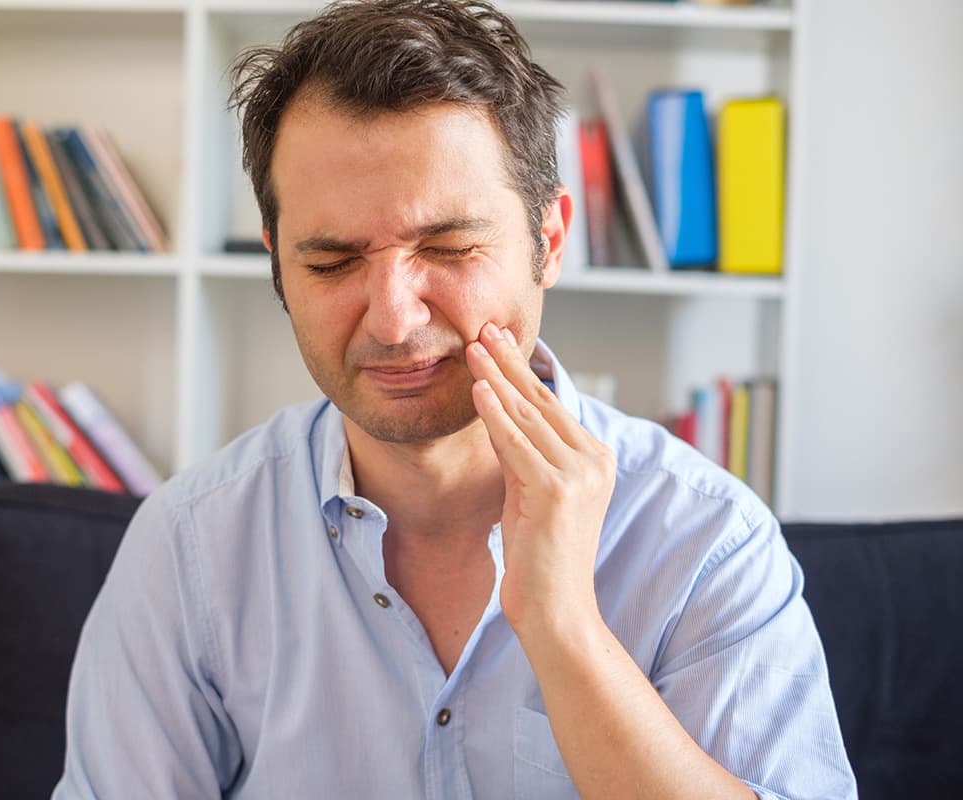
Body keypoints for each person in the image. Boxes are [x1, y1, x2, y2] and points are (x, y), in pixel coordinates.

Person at [54, 1, 856, 797]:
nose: (395, 320)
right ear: (277, 266)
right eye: (331, 263)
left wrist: (566, 630)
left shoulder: (707, 541)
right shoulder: (191, 546)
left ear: (549, 241)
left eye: (449, 248)